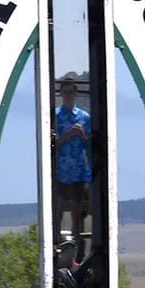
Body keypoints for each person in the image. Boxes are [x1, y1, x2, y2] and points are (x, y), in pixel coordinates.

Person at [51, 78, 93, 240]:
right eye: (65, 92)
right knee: (59, 209)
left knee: (76, 211)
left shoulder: (84, 117)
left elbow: (88, 147)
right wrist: (67, 135)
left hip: (78, 171)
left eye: (71, 92)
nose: (68, 95)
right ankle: (56, 245)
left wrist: (82, 135)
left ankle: (76, 249)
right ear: (61, 94)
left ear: (75, 94)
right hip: (60, 170)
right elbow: (52, 144)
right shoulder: (54, 116)